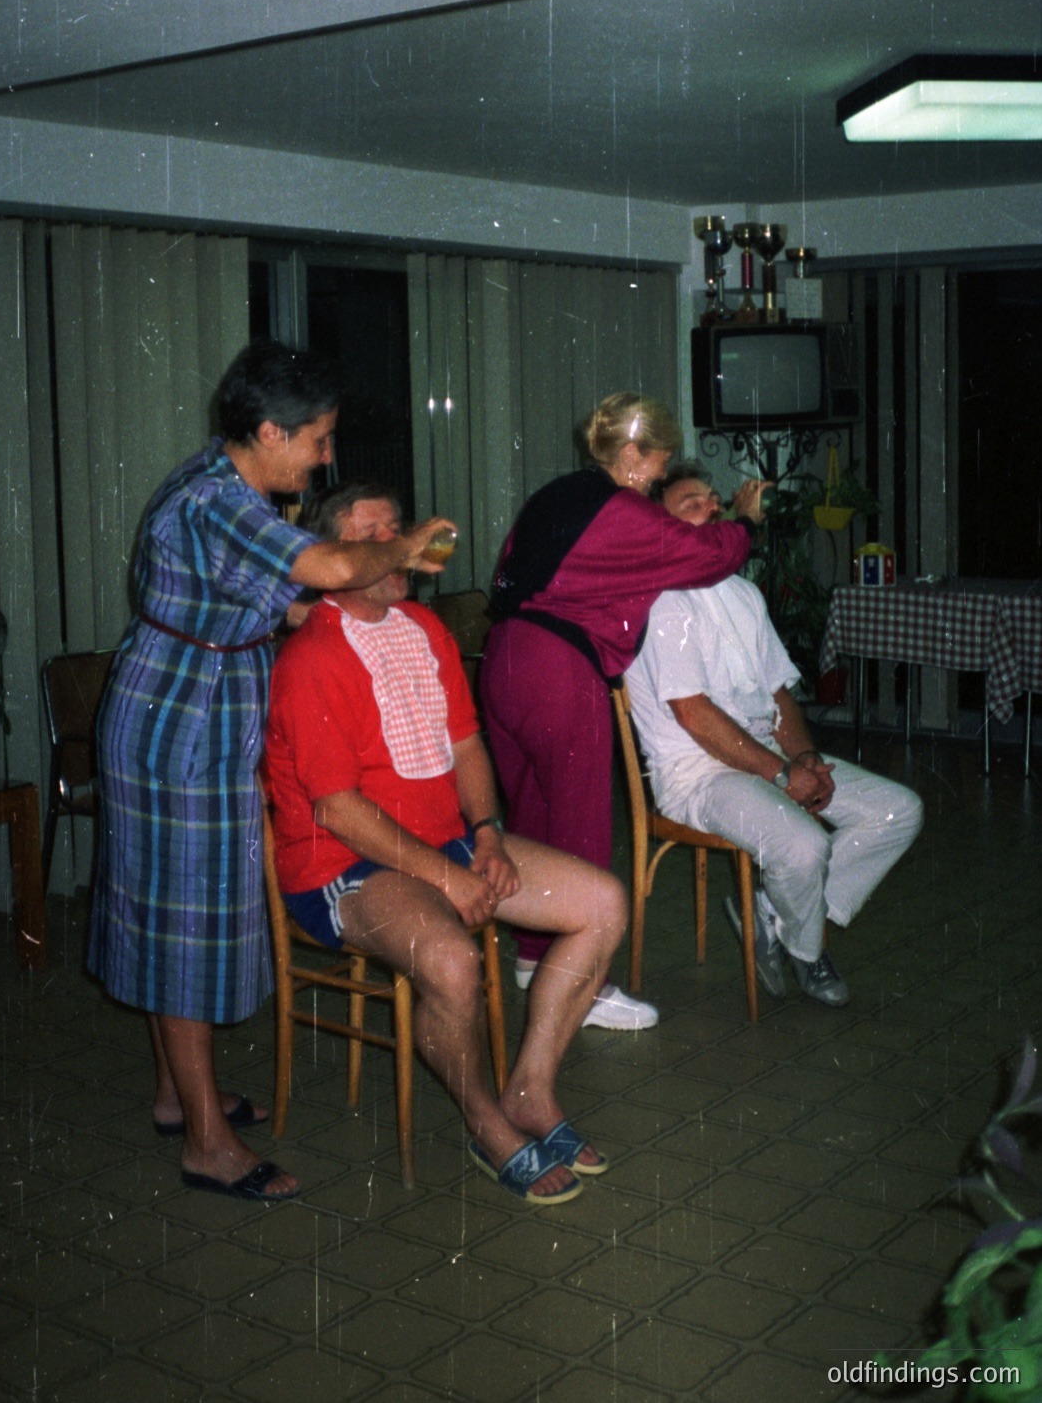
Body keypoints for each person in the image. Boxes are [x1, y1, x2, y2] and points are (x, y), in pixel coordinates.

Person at [88, 340, 454, 1203]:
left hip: (186, 701)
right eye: (317, 439)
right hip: (179, 726)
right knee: (183, 927)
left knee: (168, 915)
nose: (324, 457)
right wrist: (401, 546)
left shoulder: (226, 484)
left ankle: (179, 1094)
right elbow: (330, 566)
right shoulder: (219, 500)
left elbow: (271, 597)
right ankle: (207, 1144)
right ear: (268, 432)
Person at [264, 481, 628, 1205]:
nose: (397, 544)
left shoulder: (425, 628)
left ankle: (530, 1090)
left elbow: (464, 744)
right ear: (334, 559)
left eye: (397, 528)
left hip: (445, 843)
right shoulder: (311, 657)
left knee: (603, 903)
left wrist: (487, 834)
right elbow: (338, 811)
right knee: (452, 961)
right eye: (372, 536)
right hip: (342, 865)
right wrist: (448, 875)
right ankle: (487, 1123)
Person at [479, 392, 764, 1029]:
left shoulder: (556, 495)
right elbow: (708, 556)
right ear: (632, 452)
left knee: (533, 816)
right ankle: (585, 988)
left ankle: (534, 955)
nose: (660, 475)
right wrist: (747, 523)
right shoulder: (619, 508)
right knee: (581, 826)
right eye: (658, 460)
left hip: (503, 661)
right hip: (558, 667)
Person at [625, 463, 924, 1006]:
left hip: (762, 757)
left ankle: (773, 912)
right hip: (699, 775)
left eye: (713, 499)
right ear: (661, 529)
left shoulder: (742, 593)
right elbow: (694, 715)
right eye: (692, 503)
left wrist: (804, 756)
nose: (712, 506)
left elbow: (778, 694)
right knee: (804, 846)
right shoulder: (662, 601)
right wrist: (784, 775)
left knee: (898, 811)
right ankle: (807, 950)